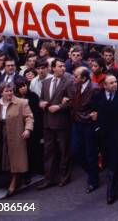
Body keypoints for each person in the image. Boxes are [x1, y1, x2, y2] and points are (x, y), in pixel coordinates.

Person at [90, 74, 118, 204]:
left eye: (115, 82)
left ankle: (111, 192)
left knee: (114, 162)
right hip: (103, 134)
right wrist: (96, 128)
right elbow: (93, 113)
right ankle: (117, 182)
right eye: (111, 83)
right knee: (108, 160)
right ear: (104, 85)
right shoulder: (98, 96)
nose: (115, 84)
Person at [37, 58, 75, 190]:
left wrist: (60, 106)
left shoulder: (69, 82)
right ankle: (49, 178)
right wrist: (40, 103)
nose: (63, 68)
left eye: (64, 66)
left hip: (61, 122)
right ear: (53, 68)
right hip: (47, 121)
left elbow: (72, 101)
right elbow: (42, 98)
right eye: (60, 66)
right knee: (49, 151)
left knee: (64, 150)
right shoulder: (46, 82)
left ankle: (64, 176)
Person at [0, 82, 34, 196]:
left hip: (16, 133)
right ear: (1, 92)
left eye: (11, 90)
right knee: (6, 158)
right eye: (6, 91)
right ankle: (14, 178)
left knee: (16, 158)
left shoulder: (21, 102)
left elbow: (29, 117)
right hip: (1, 133)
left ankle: (14, 182)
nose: (9, 93)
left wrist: (27, 129)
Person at [70, 66, 99, 193]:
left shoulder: (95, 88)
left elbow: (100, 105)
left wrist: (96, 114)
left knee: (90, 153)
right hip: (77, 122)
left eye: (76, 76)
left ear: (84, 78)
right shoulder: (75, 86)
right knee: (75, 150)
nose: (73, 78)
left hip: (88, 124)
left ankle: (93, 180)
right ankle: (93, 171)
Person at [14, 78, 43, 177]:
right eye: (20, 87)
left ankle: (39, 168)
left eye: (24, 85)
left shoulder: (33, 96)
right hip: (20, 126)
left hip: (34, 124)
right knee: (25, 150)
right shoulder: (15, 98)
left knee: (35, 147)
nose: (23, 88)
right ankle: (27, 170)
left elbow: (36, 112)